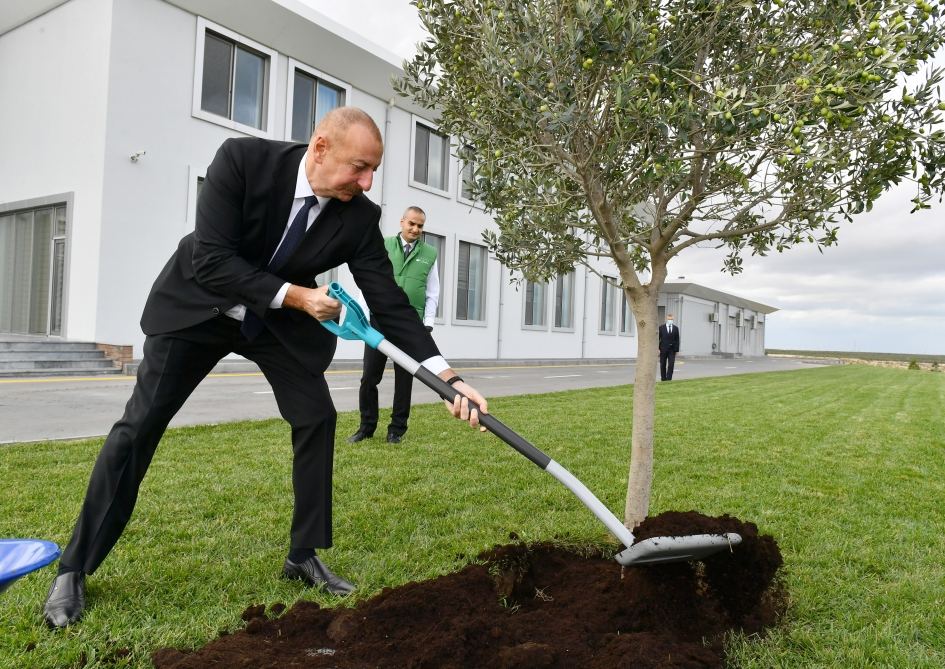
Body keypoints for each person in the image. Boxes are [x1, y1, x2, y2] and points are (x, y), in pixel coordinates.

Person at [42, 107, 488, 629]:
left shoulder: (359, 217)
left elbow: (389, 303)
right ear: (320, 147)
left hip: (274, 326)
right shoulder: (243, 161)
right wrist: (300, 297)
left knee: (317, 416)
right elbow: (212, 260)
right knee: (139, 426)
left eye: (373, 171)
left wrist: (448, 379)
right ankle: (74, 568)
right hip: (200, 308)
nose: (367, 182)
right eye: (360, 168)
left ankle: (303, 555)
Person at [349, 206, 439, 444]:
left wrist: (428, 322)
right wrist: (363, 316)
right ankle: (366, 427)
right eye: (412, 223)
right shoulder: (384, 245)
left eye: (420, 226)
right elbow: (366, 282)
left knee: (404, 379)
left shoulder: (430, 254)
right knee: (369, 377)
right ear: (402, 222)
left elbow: (433, 292)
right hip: (378, 320)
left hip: (410, 324)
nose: (415, 229)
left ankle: (396, 430)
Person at [658, 314, 680, 381]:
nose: (670, 320)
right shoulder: (661, 328)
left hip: (672, 350)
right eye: (669, 319)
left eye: (671, 319)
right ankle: (663, 379)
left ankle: (669, 379)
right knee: (663, 364)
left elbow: (677, 340)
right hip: (663, 349)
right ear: (666, 319)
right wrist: (658, 349)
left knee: (671, 364)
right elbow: (658, 338)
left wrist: (677, 350)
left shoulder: (676, 328)